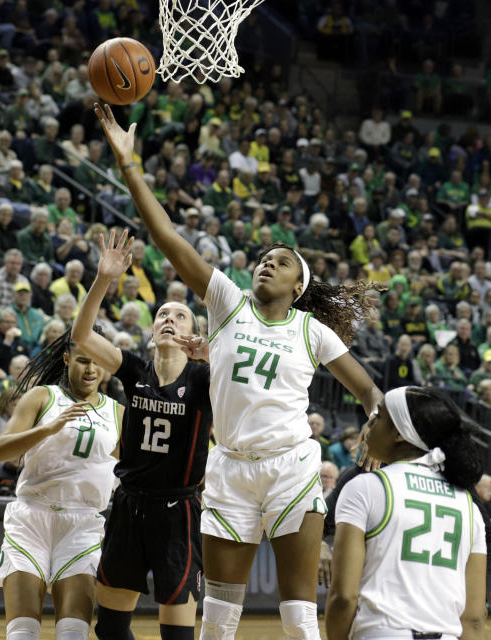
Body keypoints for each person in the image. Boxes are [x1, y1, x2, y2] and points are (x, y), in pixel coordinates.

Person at [95, 105, 382, 639]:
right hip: (228, 470)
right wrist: (129, 165)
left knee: (298, 617)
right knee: (220, 618)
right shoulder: (228, 303)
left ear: (298, 286)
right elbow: (168, 238)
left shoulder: (310, 331)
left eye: (282, 261)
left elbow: (368, 390)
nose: (267, 263)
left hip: (291, 468)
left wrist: (373, 422)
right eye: (264, 258)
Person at [70, 230, 213, 640]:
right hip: (130, 506)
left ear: (193, 334)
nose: (169, 319)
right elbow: (81, 336)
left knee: (177, 635)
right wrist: (103, 279)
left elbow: (244, 399)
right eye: (162, 316)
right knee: (111, 628)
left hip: (179, 513)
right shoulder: (134, 371)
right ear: (152, 333)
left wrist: (216, 356)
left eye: (180, 315)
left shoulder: (206, 378)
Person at [0, 325, 124, 640]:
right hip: (31, 517)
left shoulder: (117, 412)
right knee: (22, 632)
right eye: (82, 360)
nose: (91, 369)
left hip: (82, 524)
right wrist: (47, 429)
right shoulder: (42, 396)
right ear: (66, 359)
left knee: (73, 633)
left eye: (96, 361)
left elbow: (136, 470)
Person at [325, 386, 486, 640]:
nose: (369, 425)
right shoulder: (468, 505)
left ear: (399, 434)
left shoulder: (366, 487)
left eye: (379, 417)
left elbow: (344, 596)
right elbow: (474, 618)